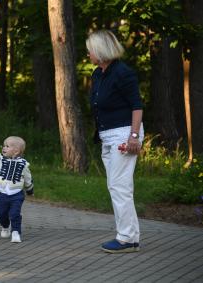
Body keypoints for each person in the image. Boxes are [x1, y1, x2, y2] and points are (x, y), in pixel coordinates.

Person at [86, 29, 144, 253]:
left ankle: (127, 238)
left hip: (124, 134)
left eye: (90, 50)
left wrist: (134, 136)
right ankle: (131, 236)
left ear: (100, 51)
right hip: (106, 136)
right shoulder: (97, 74)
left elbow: (137, 106)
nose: (88, 53)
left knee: (119, 186)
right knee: (118, 186)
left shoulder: (123, 73)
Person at [0, 134, 34, 243]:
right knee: (1, 214)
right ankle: (5, 226)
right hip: (2, 194)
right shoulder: (0, 159)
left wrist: (30, 190)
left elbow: (28, 179)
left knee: (15, 214)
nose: (4, 148)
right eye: (4, 146)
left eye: (7, 146)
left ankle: (16, 232)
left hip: (17, 194)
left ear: (16, 151)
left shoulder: (23, 164)